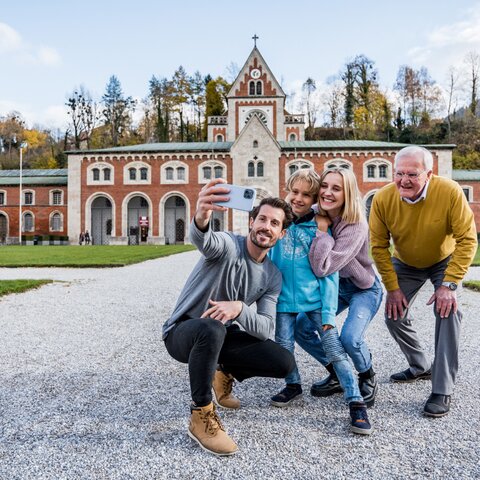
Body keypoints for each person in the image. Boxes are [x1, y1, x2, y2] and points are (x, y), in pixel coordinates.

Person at [162, 178, 296, 456]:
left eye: (274, 224)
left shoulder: (272, 277)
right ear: (251, 221)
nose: (266, 227)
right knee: (211, 328)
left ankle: (224, 372)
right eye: (262, 219)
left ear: (282, 234)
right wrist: (202, 216)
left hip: (220, 332)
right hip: (182, 332)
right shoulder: (228, 246)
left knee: (284, 362)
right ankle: (201, 414)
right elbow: (205, 240)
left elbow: (265, 328)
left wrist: (239, 308)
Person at [369, 145, 477, 417]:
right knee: (394, 316)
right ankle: (420, 366)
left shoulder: (449, 191)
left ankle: (442, 387)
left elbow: (467, 240)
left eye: (412, 174)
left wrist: (449, 284)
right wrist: (392, 288)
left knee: (448, 311)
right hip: (406, 261)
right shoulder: (383, 198)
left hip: (444, 259)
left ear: (429, 174)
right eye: (399, 173)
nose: (404, 180)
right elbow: (379, 247)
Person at [268, 168, 372, 435]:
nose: (299, 199)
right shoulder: (279, 223)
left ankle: (355, 401)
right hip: (282, 302)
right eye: (294, 192)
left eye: (306, 195)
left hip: (316, 303)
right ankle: (293, 385)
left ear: (314, 199)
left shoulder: (320, 228)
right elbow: (265, 257)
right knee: (283, 347)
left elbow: (329, 276)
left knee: (336, 349)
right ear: (287, 191)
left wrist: (328, 314)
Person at [307, 167, 383, 408]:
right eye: (325, 186)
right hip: (336, 288)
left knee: (350, 338)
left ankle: (367, 375)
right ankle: (338, 373)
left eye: (336, 188)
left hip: (363, 288)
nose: (327, 192)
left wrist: (321, 232)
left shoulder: (355, 225)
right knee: (300, 326)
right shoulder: (315, 212)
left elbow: (324, 266)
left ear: (347, 193)